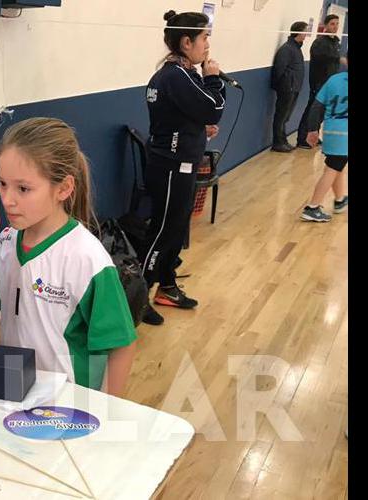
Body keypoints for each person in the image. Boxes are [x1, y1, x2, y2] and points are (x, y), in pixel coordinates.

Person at [0, 117, 138, 396]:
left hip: (67, 406)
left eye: (23, 188)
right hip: (14, 395)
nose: (7, 199)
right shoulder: (7, 242)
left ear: (64, 189)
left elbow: (121, 343)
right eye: (2, 183)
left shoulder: (87, 258)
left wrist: (106, 409)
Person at [139, 10, 226, 320]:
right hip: (171, 166)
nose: (207, 46)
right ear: (186, 41)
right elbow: (213, 108)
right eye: (204, 38)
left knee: (176, 231)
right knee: (163, 232)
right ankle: (137, 296)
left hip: (180, 163)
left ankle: (167, 287)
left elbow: (179, 115)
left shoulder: (180, 74)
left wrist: (197, 129)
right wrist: (214, 78)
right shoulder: (176, 75)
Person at [300, 53, 348, 222]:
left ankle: (340, 199)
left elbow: (316, 106)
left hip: (330, 130)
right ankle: (312, 207)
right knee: (333, 167)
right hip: (345, 135)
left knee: (337, 165)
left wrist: (312, 130)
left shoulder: (334, 80)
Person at [296, 14, 343, 149]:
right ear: (326, 25)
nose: (335, 27)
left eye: (337, 24)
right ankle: (302, 139)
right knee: (312, 111)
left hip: (331, 84)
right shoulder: (320, 42)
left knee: (322, 112)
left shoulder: (335, 42)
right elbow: (321, 58)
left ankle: (313, 136)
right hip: (319, 83)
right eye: (332, 24)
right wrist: (337, 58)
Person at [270, 21, 310, 152]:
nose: (306, 34)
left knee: (285, 117)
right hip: (288, 88)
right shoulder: (287, 49)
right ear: (298, 32)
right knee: (281, 116)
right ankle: (278, 143)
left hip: (294, 88)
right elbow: (279, 70)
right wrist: (285, 85)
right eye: (305, 31)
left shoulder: (296, 48)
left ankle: (283, 140)